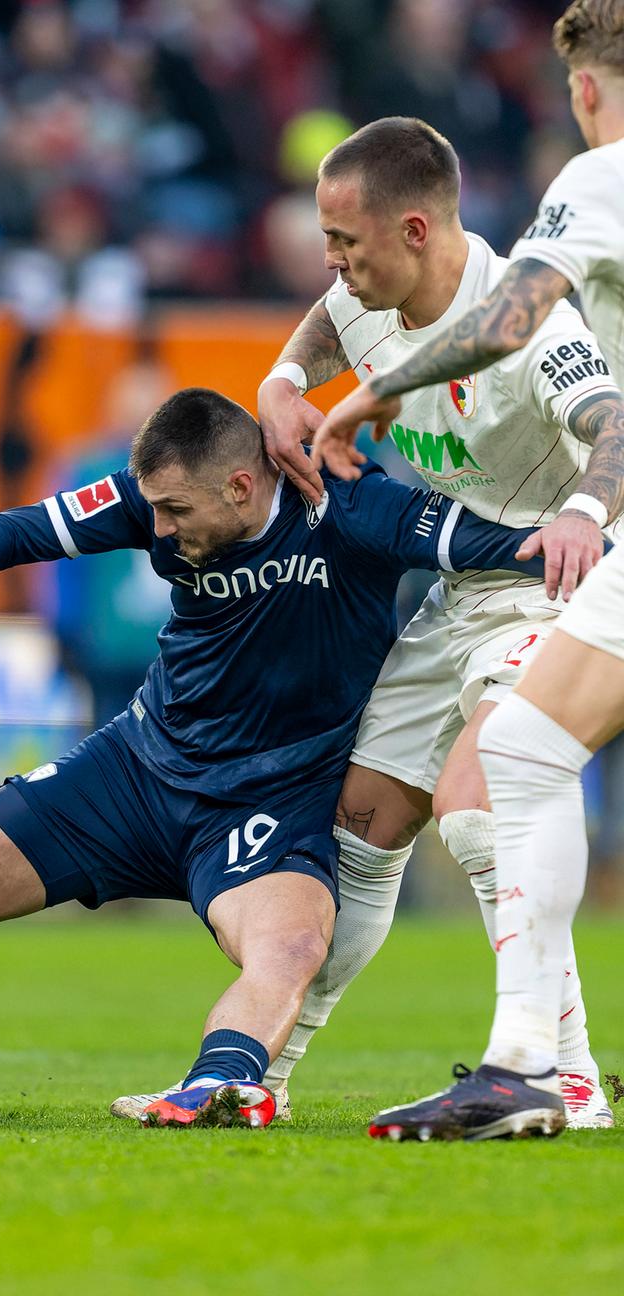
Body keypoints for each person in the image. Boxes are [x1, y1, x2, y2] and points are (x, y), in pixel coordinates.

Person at [0, 387, 566, 1129]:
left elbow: (497, 544)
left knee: (292, 946)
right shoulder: (151, 498)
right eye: (154, 509)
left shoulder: (356, 506)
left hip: (273, 801)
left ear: (240, 486)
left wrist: (591, 536)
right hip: (131, 775)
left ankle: (218, 1088)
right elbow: (16, 530)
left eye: (175, 512)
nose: (158, 530)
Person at [255, 115, 624, 1130]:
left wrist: (588, 515)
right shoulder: (368, 295)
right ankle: (264, 1074)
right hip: (458, 591)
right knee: (364, 821)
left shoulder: (532, 320)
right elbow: (329, 321)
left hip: (549, 580)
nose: (332, 264)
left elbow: (616, 424)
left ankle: (566, 1076)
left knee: (481, 795)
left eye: (347, 243)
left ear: (415, 230)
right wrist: (284, 378)